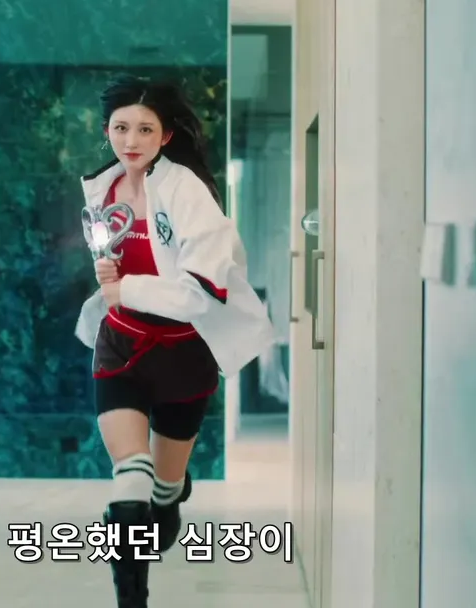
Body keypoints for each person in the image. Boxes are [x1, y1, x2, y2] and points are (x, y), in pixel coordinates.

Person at [75, 76, 276, 607]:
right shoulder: (101, 190)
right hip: (120, 346)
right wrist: (110, 280)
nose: (131, 140)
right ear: (106, 130)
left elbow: (200, 292)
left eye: (145, 129)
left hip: (183, 354)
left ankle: (170, 495)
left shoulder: (187, 191)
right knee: (130, 481)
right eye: (121, 127)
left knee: (161, 497)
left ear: (165, 136)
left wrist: (125, 288)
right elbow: (119, 268)